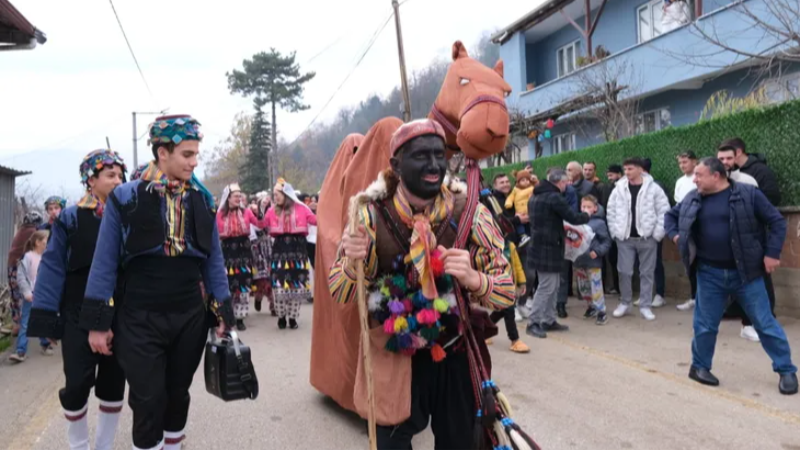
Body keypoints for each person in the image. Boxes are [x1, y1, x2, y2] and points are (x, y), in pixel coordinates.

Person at [330, 119, 514, 449]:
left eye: (439, 155)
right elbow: (340, 292)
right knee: (389, 445)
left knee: (461, 444)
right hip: (394, 355)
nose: (433, 165)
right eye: (421, 156)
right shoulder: (368, 214)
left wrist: (475, 279)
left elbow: (507, 292)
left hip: (454, 351)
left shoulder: (470, 212)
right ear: (396, 165)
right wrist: (353, 263)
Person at [82, 115, 234, 450]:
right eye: (187, 155)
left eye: (196, 154)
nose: (194, 162)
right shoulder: (125, 197)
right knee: (148, 398)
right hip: (139, 315)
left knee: (178, 394)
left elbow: (214, 261)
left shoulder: (202, 199)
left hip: (188, 315)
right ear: (162, 153)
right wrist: (98, 324)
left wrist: (223, 312)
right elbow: (104, 262)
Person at [665, 157, 797, 396]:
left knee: (764, 322)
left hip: (747, 273)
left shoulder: (749, 194)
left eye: (699, 175)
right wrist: (676, 235)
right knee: (705, 325)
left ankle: (786, 370)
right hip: (709, 274)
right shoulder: (693, 197)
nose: (694, 180)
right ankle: (699, 367)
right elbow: (670, 217)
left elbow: (777, 222)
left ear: (716, 176)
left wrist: (772, 253)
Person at [27, 149, 128, 450]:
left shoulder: (128, 216)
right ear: (90, 180)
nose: (117, 180)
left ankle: (104, 445)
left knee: (113, 383)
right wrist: (46, 317)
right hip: (76, 311)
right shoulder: (69, 218)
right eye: (110, 175)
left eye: (120, 175)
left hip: (119, 310)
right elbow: (53, 266)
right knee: (77, 383)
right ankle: (79, 445)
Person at [526, 168, 590, 338]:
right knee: (547, 287)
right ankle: (533, 322)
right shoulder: (554, 197)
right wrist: (587, 214)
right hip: (549, 247)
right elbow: (573, 217)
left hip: (541, 246)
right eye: (566, 182)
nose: (567, 185)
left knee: (552, 286)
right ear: (560, 182)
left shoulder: (535, 196)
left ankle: (548, 320)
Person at [718, 145, 771, 343]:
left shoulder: (748, 181)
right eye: (721, 159)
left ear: (736, 158)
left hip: (747, 246)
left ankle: (750, 325)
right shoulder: (708, 183)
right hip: (721, 248)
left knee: (752, 288)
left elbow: (761, 214)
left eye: (728, 158)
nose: (725, 162)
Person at [607, 157, 670, 321]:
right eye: (625, 169)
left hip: (647, 238)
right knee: (624, 271)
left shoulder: (654, 189)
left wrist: (657, 234)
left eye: (630, 169)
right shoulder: (618, 188)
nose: (626, 172)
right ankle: (625, 303)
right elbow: (611, 210)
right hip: (625, 239)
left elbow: (664, 211)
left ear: (640, 170)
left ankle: (645, 305)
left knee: (647, 273)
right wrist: (615, 232)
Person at [480, 187, 531, 353]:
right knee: (508, 311)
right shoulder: (488, 248)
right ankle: (515, 339)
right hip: (497, 284)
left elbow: (517, 266)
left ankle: (483, 330)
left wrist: (521, 282)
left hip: (510, 285)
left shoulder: (510, 246)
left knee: (503, 311)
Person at [265, 178, 317, 330]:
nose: (275, 197)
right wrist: (259, 211)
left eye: (277, 194)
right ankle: (281, 316)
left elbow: (315, 220)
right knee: (279, 285)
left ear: (286, 194)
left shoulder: (302, 208)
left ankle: (293, 317)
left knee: (296, 285)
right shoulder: (271, 211)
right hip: (279, 250)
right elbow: (261, 224)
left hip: (298, 250)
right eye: (274, 195)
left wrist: (323, 209)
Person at [217, 182, 267, 331]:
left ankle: (240, 318)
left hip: (244, 252)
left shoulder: (246, 212)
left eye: (240, 196)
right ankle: (229, 316)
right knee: (229, 285)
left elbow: (260, 224)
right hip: (228, 252)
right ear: (228, 198)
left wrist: (260, 211)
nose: (238, 199)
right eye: (235, 196)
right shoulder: (219, 214)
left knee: (244, 285)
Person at [8, 230, 51, 362]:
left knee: (41, 320)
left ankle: (45, 343)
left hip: (42, 296)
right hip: (31, 296)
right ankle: (21, 351)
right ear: (37, 242)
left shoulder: (45, 257)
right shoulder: (28, 257)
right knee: (26, 323)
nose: (47, 244)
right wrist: (27, 292)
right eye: (45, 241)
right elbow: (21, 276)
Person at [573, 195, 611, 325]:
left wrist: (598, 251)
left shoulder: (599, 223)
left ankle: (601, 312)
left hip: (593, 261)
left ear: (595, 208)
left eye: (589, 207)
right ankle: (591, 306)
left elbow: (606, 241)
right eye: (583, 206)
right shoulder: (576, 221)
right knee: (583, 288)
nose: (585, 209)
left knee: (596, 287)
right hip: (579, 260)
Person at [4, 211, 43, 336]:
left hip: (12, 265)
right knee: (28, 294)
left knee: (15, 296)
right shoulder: (33, 232)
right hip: (21, 267)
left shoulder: (21, 231)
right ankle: (27, 326)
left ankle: (17, 324)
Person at [640, 157, 670, 308]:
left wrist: (658, 232)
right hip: (637, 233)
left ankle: (659, 294)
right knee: (641, 264)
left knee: (656, 263)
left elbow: (664, 211)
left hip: (652, 233)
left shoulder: (656, 186)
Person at [674, 150, 699, 312]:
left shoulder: (700, 177)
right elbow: (678, 205)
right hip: (685, 230)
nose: (682, 165)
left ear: (694, 161)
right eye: (680, 163)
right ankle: (694, 298)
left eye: (685, 162)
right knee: (690, 265)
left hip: (700, 228)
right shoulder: (679, 182)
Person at [723, 137, 781, 205]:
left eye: (728, 155)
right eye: (722, 158)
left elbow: (772, 197)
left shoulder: (761, 170)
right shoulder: (728, 171)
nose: (724, 161)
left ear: (738, 152)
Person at [249, 191, 274, 315]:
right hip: (257, 249)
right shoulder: (251, 214)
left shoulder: (273, 213)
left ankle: (273, 305)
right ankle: (258, 297)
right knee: (261, 278)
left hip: (270, 248)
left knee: (271, 277)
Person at [601, 165, 623, 295]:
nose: (609, 178)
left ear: (619, 174)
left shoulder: (624, 187)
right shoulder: (607, 188)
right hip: (611, 228)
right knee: (613, 258)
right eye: (608, 175)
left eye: (611, 175)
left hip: (623, 229)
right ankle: (617, 286)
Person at [504, 168, 536, 247]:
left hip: (531, 211)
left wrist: (535, 181)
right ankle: (522, 235)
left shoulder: (532, 188)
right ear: (518, 182)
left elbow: (539, 189)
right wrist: (508, 203)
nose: (525, 182)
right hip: (520, 212)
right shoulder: (515, 190)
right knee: (520, 225)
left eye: (527, 180)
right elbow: (510, 197)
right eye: (523, 180)